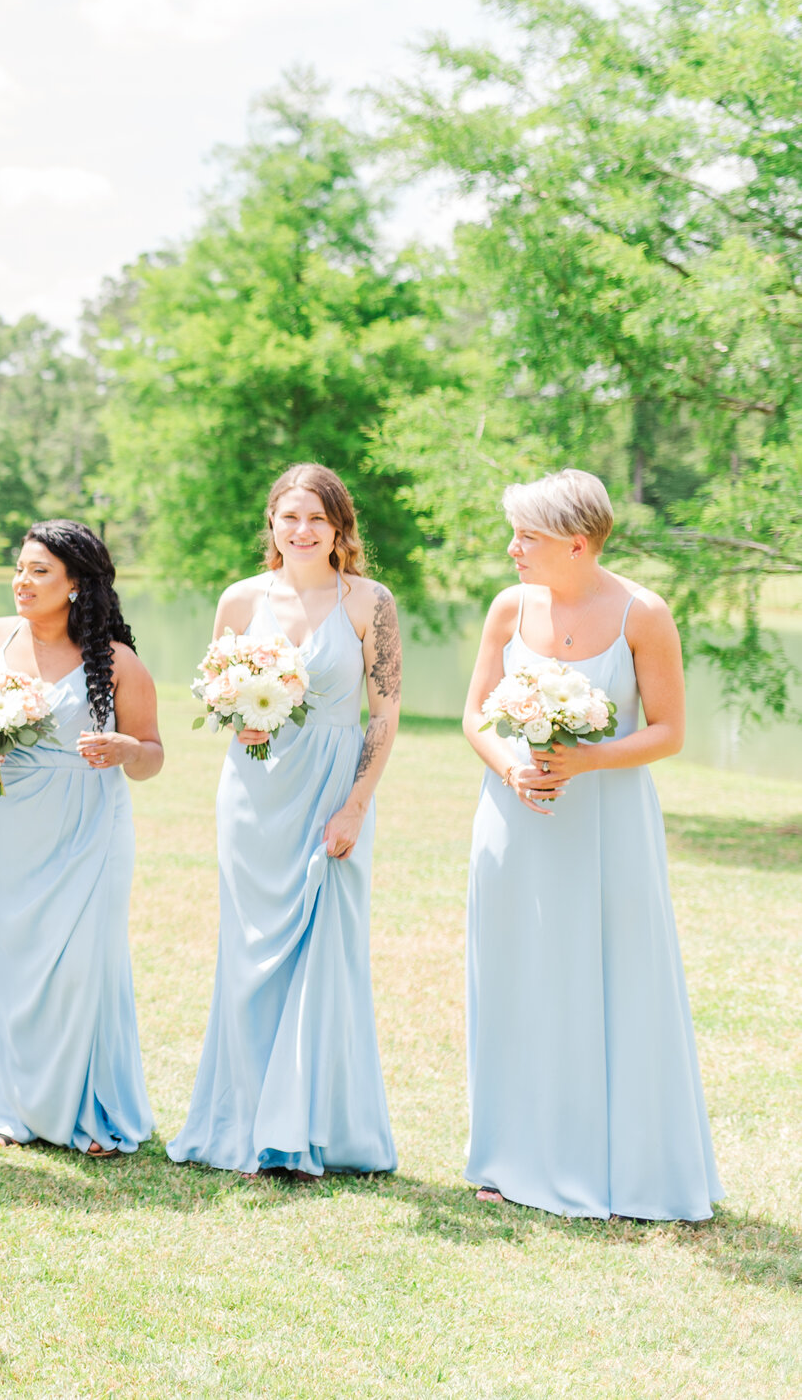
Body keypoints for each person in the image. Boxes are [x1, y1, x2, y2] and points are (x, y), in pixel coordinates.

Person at [461, 469, 719, 1220]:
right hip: (515, 819)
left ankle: (626, 1165)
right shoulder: (508, 607)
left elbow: (669, 730)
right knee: (517, 980)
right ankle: (510, 1160)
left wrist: (587, 758)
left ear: (577, 544)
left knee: (615, 980)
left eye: (527, 537)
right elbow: (476, 715)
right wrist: (512, 765)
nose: (512, 548)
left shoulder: (645, 612)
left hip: (608, 827)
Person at [168, 464, 400, 1179]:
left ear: (339, 529)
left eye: (317, 519)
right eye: (290, 516)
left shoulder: (369, 601)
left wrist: (355, 803)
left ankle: (306, 1128)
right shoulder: (239, 600)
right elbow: (217, 692)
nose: (302, 531)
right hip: (253, 793)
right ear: (271, 522)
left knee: (325, 952)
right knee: (247, 957)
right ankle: (241, 1126)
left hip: (330, 787)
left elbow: (385, 712)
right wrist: (240, 716)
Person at [0, 520, 161, 1155]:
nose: (22, 581)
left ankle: (87, 1111)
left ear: (77, 587)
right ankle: (3, 1110)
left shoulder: (117, 663)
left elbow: (153, 755)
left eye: (40, 572)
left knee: (81, 968)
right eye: (20, 567)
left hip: (86, 829)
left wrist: (123, 749)